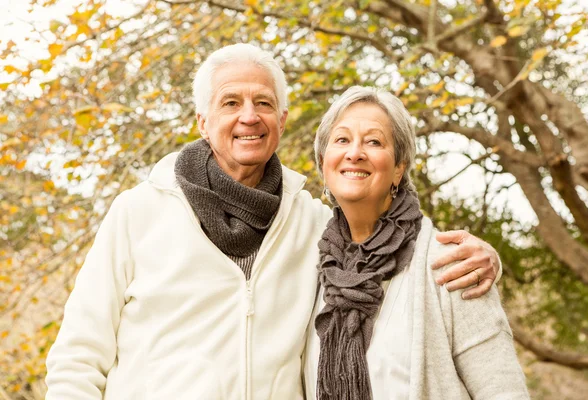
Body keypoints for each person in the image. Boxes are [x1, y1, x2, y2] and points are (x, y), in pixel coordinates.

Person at [45, 44, 502, 399]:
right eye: (231, 103)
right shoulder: (138, 212)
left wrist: (484, 257)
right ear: (202, 121)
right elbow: (78, 356)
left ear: (281, 121)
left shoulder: (315, 223)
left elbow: (385, 241)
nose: (249, 117)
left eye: (263, 103)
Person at [302, 86, 529, 399]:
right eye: (341, 140)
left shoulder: (452, 264)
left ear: (399, 167)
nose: (354, 152)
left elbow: (503, 391)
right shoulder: (310, 263)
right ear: (324, 162)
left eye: (373, 141)